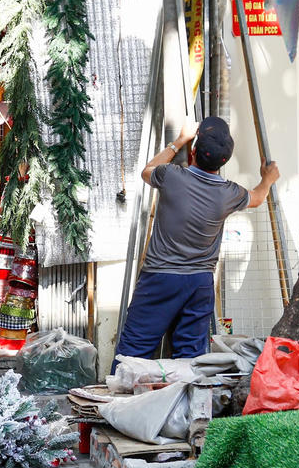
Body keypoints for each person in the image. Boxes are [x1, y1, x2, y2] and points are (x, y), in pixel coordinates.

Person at [114, 116, 280, 366]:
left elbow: (147, 171)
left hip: (160, 278)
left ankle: (122, 390)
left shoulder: (171, 176)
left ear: (193, 151)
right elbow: (257, 197)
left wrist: (179, 140)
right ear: (224, 160)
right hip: (199, 283)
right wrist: (267, 179)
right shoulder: (229, 193)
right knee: (190, 358)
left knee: (133, 352)